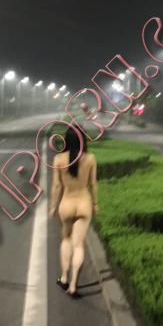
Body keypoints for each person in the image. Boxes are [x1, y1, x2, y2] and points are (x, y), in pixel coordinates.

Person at [48, 126, 98, 299]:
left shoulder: (59, 159)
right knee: (79, 246)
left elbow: (56, 186)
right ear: (83, 140)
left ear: (66, 140)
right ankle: (74, 285)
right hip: (84, 203)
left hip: (67, 204)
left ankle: (64, 278)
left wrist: (53, 206)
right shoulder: (90, 158)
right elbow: (93, 184)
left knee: (67, 240)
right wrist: (96, 204)